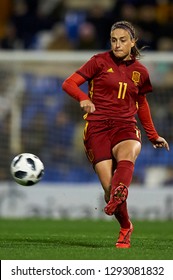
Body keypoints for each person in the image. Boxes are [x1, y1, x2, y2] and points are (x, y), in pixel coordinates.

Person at [62, 20, 169, 248]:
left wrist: (152, 135)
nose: (117, 45)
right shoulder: (98, 61)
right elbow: (69, 83)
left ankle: (121, 195)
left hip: (125, 125)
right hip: (97, 128)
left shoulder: (140, 71)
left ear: (133, 41)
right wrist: (84, 98)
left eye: (122, 40)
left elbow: (141, 103)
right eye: (113, 40)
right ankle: (125, 224)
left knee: (127, 154)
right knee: (110, 190)